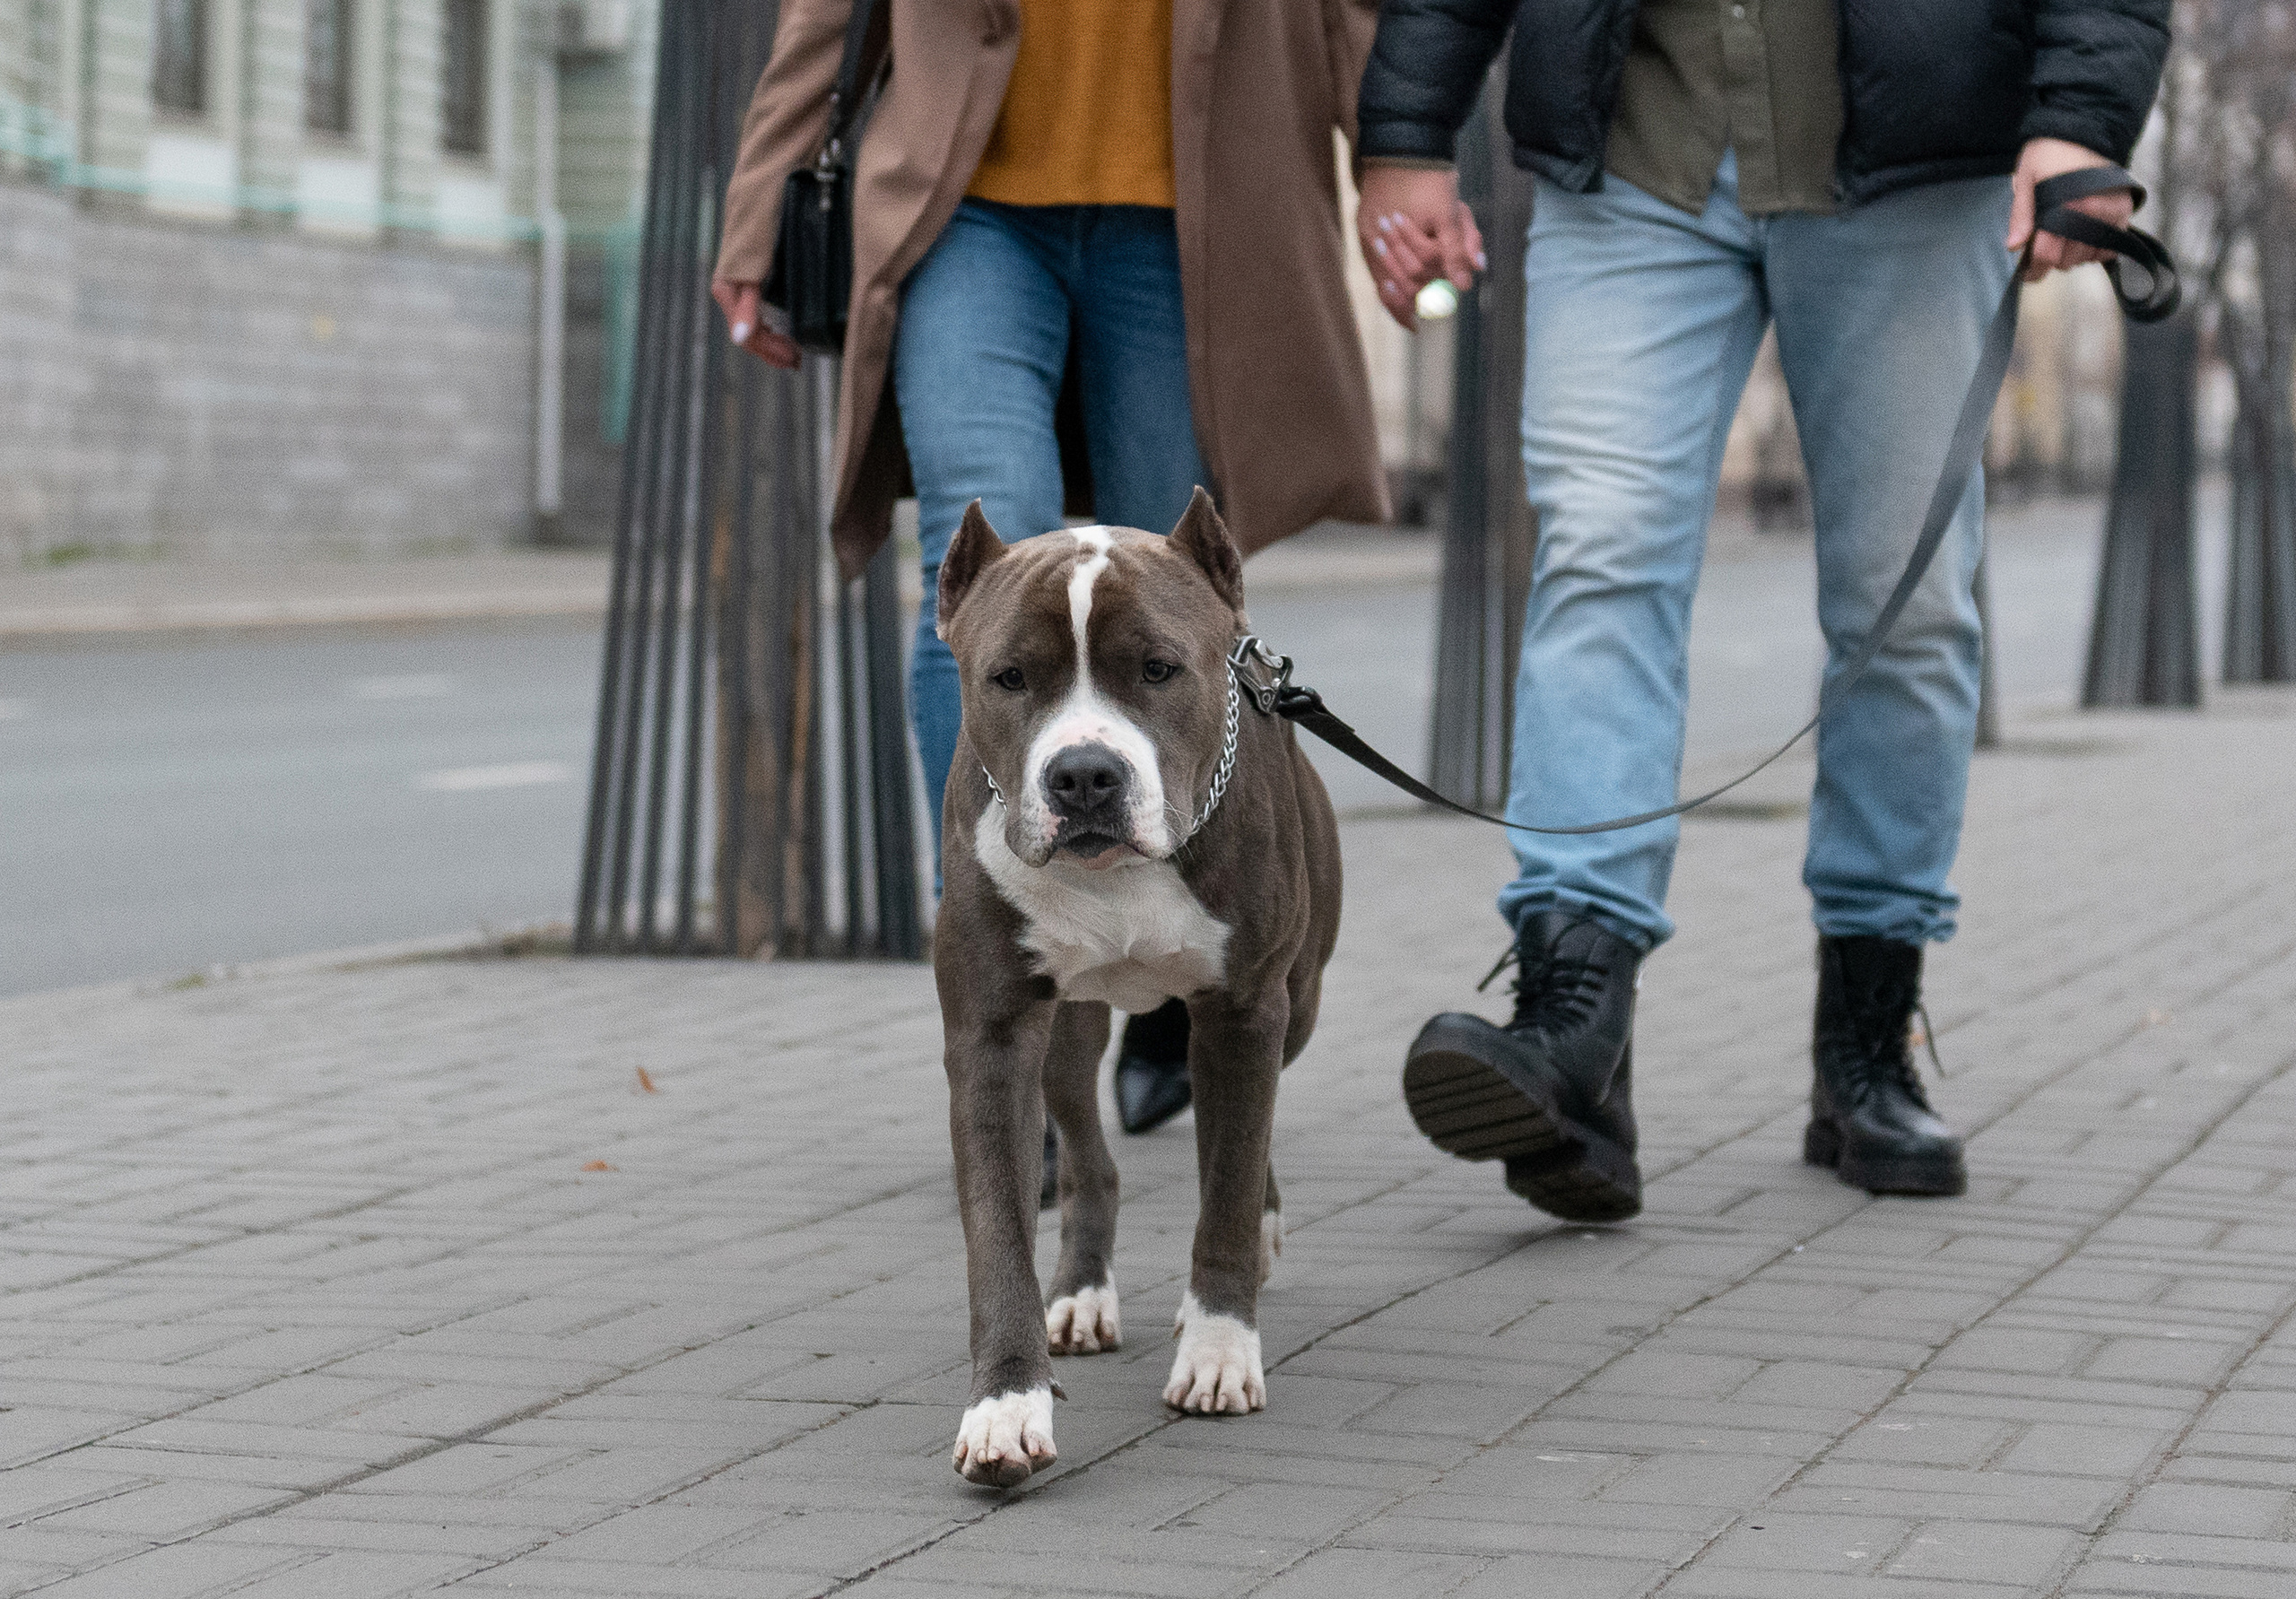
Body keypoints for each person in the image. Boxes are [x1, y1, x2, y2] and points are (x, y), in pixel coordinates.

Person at [1352, 0, 2169, 1218]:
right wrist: (1407, 135)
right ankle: (1576, 1029)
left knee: (1909, 611)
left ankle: (1867, 1037)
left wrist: (2081, 121)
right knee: (1600, 555)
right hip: (1632, 156)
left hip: (1908, 169)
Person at [709, 0, 1389, 1154]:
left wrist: (1397, 160)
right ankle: (1007, 959)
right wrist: (756, 206)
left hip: (1195, 206)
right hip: (960, 201)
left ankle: (1183, 926)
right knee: (981, 581)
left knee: (1169, 587)